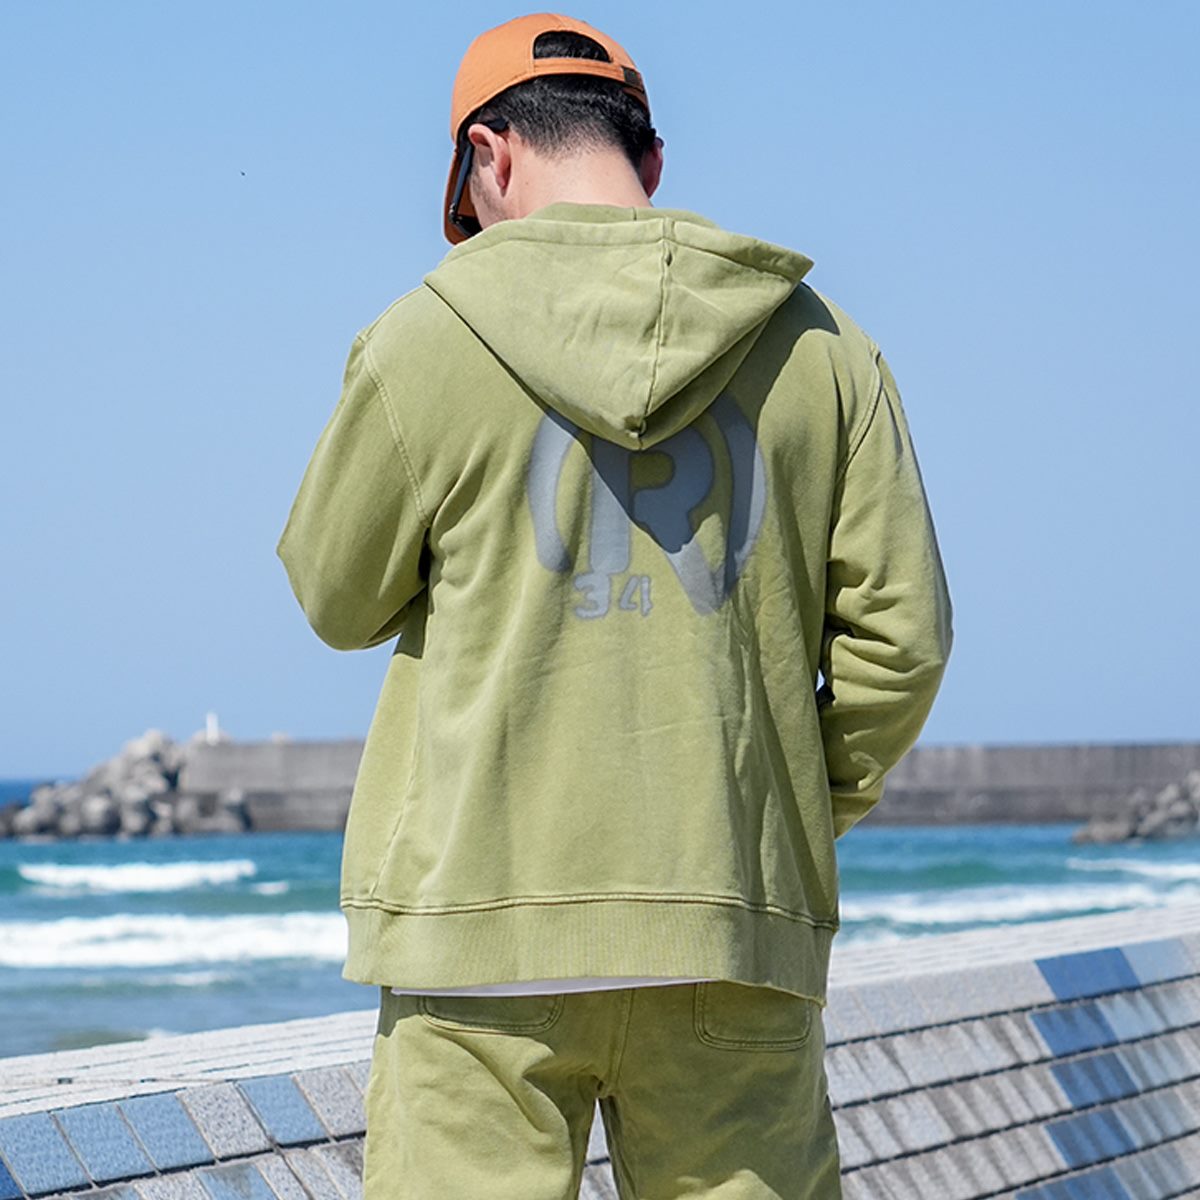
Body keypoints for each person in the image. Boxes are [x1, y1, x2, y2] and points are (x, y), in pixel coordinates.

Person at [276, 11, 953, 1199]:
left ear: (487, 155)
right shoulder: (823, 347)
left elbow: (337, 598)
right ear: (649, 158)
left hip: (478, 932)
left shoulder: (426, 337)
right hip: (731, 923)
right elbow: (903, 642)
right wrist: (784, 806)